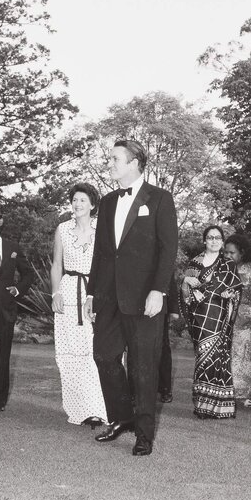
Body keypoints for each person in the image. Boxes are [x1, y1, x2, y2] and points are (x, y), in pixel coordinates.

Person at [84, 139, 179, 457]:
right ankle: (122, 417)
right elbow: (101, 252)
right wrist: (92, 294)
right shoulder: (108, 202)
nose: (109, 164)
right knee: (104, 356)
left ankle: (144, 434)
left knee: (143, 367)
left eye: (114, 159)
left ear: (135, 162)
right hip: (109, 298)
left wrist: (159, 291)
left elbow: (168, 250)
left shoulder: (161, 199)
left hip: (144, 300)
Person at [50, 183, 107, 427]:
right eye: (74, 199)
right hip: (68, 292)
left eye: (83, 200)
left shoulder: (103, 230)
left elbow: (106, 266)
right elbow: (56, 265)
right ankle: (79, 409)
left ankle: (99, 408)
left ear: (92, 204)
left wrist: (95, 296)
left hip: (94, 293)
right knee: (70, 354)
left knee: (95, 352)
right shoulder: (62, 229)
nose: (77, 204)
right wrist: (55, 293)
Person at [180, 225, 243, 419]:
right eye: (210, 237)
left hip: (219, 315)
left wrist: (230, 293)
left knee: (218, 357)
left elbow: (236, 289)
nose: (214, 241)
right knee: (202, 356)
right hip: (199, 316)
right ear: (204, 241)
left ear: (222, 242)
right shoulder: (194, 263)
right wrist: (186, 282)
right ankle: (202, 406)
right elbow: (184, 295)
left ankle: (220, 406)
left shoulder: (228, 264)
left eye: (217, 238)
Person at [0, 204, 36, 417]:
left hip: (6, 309)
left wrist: (18, 289)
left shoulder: (12, 246)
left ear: (0, 221)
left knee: (3, 357)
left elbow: (28, 274)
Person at [224, 234, 251, 407]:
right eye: (225, 252)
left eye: (232, 253)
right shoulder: (223, 269)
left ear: (242, 253)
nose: (228, 256)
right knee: (234, 356)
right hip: (230, 318)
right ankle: (233, 392)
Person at [157, 278, 182, 403]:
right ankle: (134, 392)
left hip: (160, 307)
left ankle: (165, 390)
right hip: (135, 306)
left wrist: (174, 309)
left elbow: (169, 280)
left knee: (163, 349)